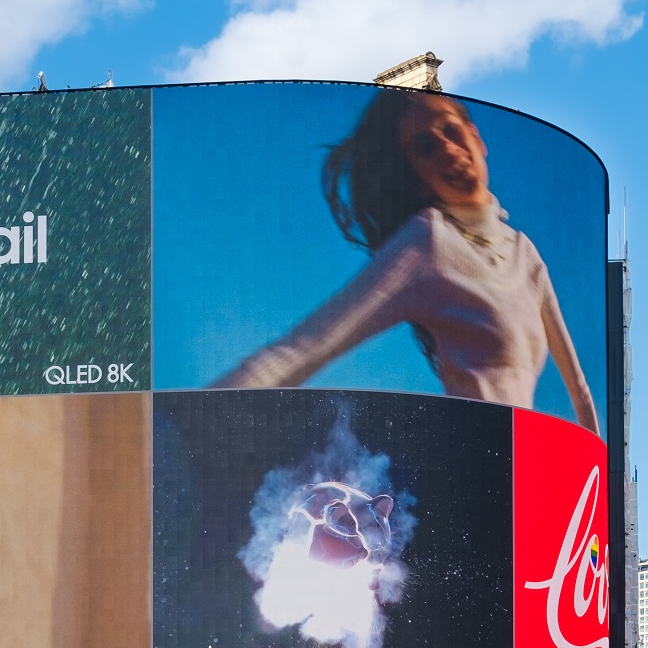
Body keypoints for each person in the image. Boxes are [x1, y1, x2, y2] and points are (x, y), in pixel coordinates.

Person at [213, 90, 599, 434]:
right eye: (425, 148)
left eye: (451, 131)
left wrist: (601, 475)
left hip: (527, 468)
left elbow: (578, 387)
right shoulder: (427, 241)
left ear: (478, 138)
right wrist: (186, 415)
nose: (448, 149)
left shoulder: (523, 252)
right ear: (418, 179)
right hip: (477, 468)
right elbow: (306, 347)